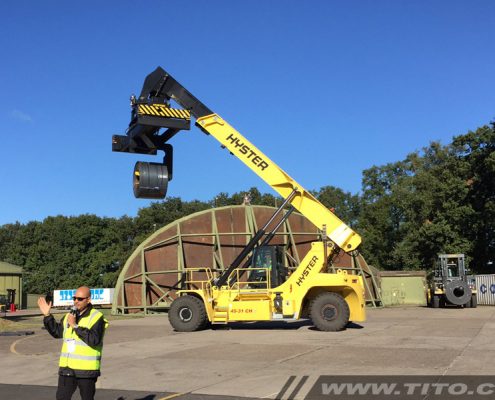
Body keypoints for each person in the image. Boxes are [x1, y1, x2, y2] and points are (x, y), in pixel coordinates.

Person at [38, 286, 109, 400]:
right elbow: (57, 332)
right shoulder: (69, 316)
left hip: (86, 370)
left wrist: (75, 326)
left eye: (80, 299)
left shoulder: (96, 317)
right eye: (74, 298)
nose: (76, 301)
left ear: (88, 300)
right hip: (67, 368)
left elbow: (94, 340)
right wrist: (47, 316)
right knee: (61, 398)